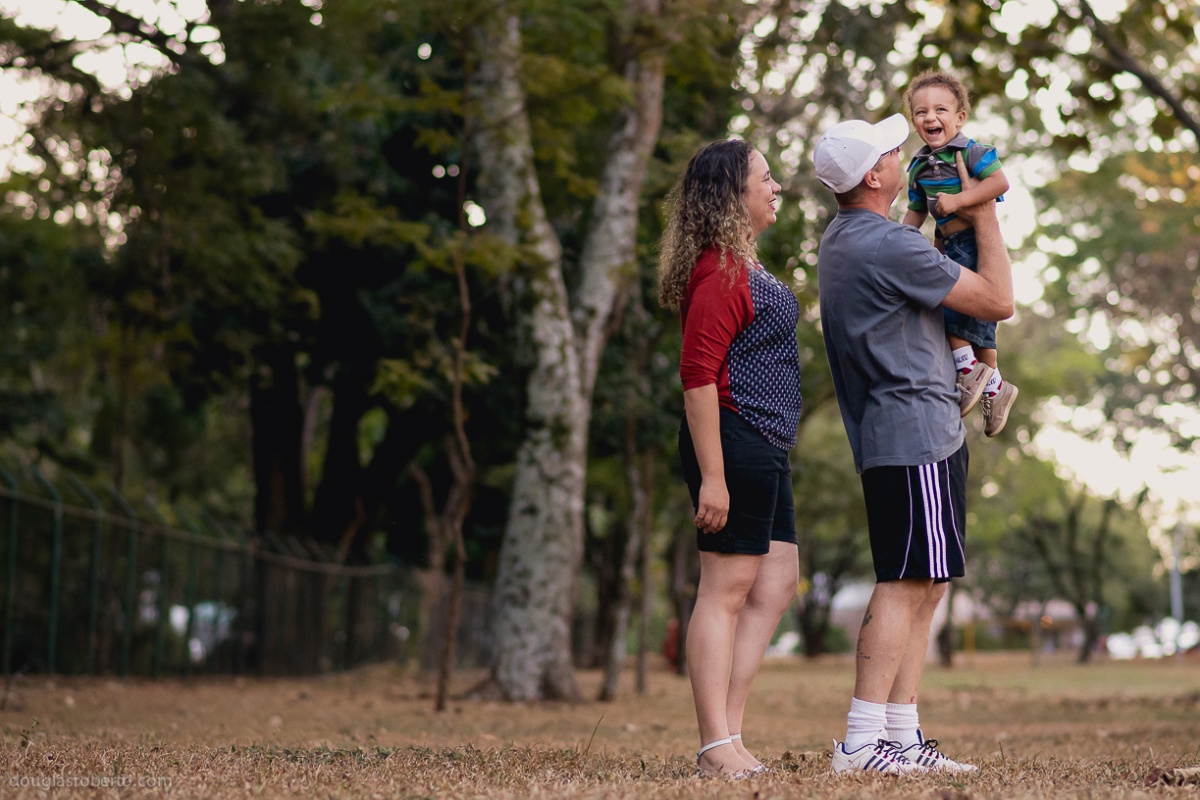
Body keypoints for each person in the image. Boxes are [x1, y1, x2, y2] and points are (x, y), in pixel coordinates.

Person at [812, 112, 1013, 774]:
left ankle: (900, 736)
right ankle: (863, 743)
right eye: (890, 150)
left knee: (927, 583)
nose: (904, 152)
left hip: (907, 428)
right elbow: (998, 299)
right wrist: (980, 200)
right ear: (875, 175)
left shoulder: (844, 237)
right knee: (905, 582)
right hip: (914, 429)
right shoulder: (889, 246)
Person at [657, 139, 802, 779]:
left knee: (775, 584)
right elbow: (697, 378)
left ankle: (731, 734)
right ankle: (715, 744)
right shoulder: (719, 269)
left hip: (766, 442)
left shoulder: (748, 264)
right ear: (731, 195)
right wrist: (712, 478)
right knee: (725, 590)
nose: (776, 188)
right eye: (765, 179)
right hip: (733, 439)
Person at [901, 69, 1018, 437]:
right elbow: (917, 208)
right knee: (978, 322)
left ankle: (968, 370)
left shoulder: (973, 152)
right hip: (947, 243)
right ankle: (996, 389)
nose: (930, 118)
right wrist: (899, 238)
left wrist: (959, 201)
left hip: (973, 240)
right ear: (914, 122)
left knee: (952, 308)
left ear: (959, 117)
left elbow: (1000, 182)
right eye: (921, 112)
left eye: (940, 110)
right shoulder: (918, 166)